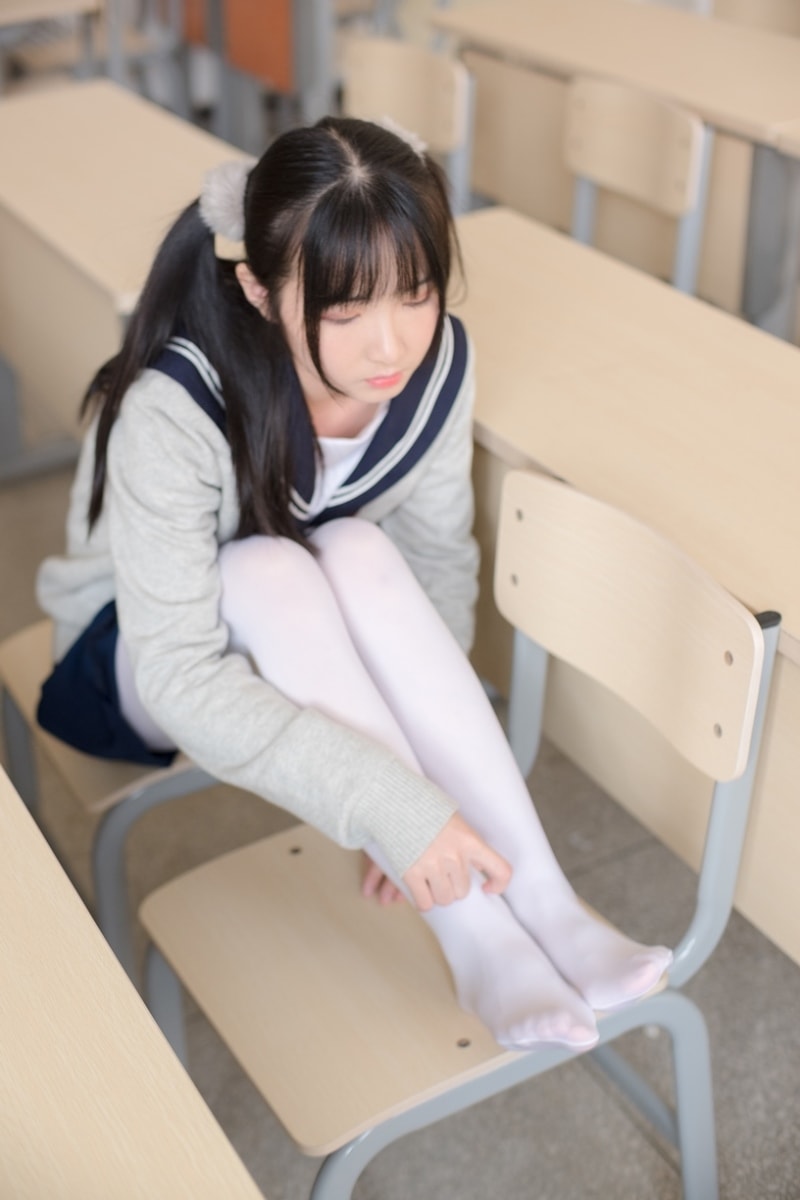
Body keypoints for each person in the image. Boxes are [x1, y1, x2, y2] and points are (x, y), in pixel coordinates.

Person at [36, 116, 671, 1052]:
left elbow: (438, 563)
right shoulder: (176, 408)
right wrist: (390, 809)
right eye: (344, 312)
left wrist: (421, 794)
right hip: (132, 660)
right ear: (260, 290)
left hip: (299, 627)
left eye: (416, 293)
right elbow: (180, 674)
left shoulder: (437, 367)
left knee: (364, 551)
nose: (391, 345)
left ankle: (545, 900)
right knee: (269, 567)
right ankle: (479, 941)